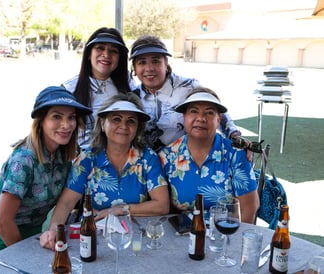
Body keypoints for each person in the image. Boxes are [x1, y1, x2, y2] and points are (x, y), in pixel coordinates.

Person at [0, 86, 92, 273]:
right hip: (1, 242)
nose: (66, 124)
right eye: (56, 116)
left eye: (71, 117)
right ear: (41, 121)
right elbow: (3, 222)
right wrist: (24, 256)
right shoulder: (24, 160)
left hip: (34, 240)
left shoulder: (64, 157)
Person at [40, 93, 169, 250]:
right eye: (116, 119)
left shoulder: (148, 158)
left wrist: (119, 210)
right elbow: (66, 203)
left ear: (137, 128)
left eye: (131, 121)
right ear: (102, 124)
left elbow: (162, 205)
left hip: (134, 238)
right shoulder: (87, 159)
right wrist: (53, 231)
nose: (123, 125)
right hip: (92, 238)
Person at [158, 87, 259, 224]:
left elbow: (248, 210)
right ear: (184, 117)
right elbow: (162, 207)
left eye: (209, 113)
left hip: (225, 236)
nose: (201, 118)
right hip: (182, 235)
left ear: (219, 120)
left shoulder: (236, 155)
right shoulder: (167, 157)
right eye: (193, 111)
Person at [130, 35, 243, 152]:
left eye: (155, 61)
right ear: (134, 67)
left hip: (184, 163)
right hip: (146, 165)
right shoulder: (132, 97)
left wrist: (235, 136)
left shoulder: (189, 87)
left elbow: (216, 112)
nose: (149, 68)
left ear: (166, 63)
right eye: (142, 62)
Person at [62, 27, 135, 150]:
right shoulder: (69, 89)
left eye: (113, 51)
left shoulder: (129, 86)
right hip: (79, 160)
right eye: (100, 48)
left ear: (120, 59)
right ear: (89, 54)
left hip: (119, 159)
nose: (106, 54)